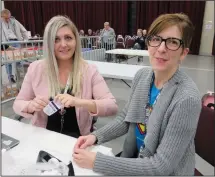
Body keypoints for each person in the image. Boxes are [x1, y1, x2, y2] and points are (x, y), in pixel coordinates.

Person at [73, 13, 202, 175]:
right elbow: (125, 119)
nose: (161, 48)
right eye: (156, 39)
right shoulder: (143, 77)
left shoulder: (186, 98)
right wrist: (95, 136)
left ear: (184, 53)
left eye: (173, 42)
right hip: (135, 158)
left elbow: (160, 167)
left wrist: (96, 162)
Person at [13, 15, 118, 138]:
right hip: (43, 139)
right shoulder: (36, 69)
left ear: (76, 40)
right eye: (56, 39)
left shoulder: (89, 70)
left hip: (78, 141)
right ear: (48, 43)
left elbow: (112, 106)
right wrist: (31, 106)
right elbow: (17, 104)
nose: (63, 44)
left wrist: (79, 102)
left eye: (68, 38)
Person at [1, 9, 28, 83]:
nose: (7, 19)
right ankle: (10, 77)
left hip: (16, 41)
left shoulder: (14, 21)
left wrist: (26, 40)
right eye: (6, 18)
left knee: (19, 60)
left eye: (8, 17)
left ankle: (19, 77)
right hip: (6, 44)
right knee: (8, 62)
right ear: (1, 17)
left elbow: (23, 30)